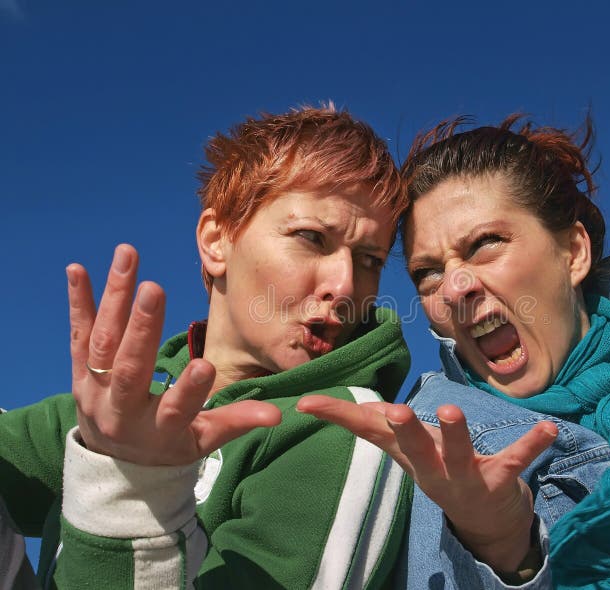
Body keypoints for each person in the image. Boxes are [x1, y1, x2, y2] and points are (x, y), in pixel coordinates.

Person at [298, 115, 610, 589]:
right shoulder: (443, 435)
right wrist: (499, 545)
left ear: (574, 252)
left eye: (485, 243)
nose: (453, 287)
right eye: (427, 272)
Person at [0, 105, 412, 589]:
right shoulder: (132, 399)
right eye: (312, 238)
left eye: (370, 260)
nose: (346, 285)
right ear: (217, 241)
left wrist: (129, 488)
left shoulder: (348, 430)